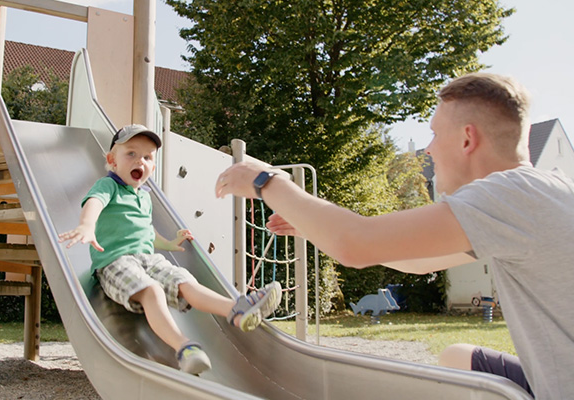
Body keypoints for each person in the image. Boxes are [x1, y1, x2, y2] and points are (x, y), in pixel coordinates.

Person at [214, 73, 574, 399]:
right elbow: (417, 261)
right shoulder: (540, 193)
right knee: (459, 359)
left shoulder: (511, 194)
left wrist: (266, 181)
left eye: (434, 133)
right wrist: (313, 227)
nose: (429, 149)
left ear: (467, 138)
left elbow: (355, 244)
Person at [59, 124, 282, 376]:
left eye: (147, 157)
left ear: (153, 167)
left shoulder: (144, 197)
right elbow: (94, 203)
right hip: (114, 262)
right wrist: (87, 225)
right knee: (152, 291)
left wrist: (168, 244)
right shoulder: (108, 186)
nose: (139, 161)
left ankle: (236, 310)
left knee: (185, 281)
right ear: (112, 160)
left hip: (148, 259)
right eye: (130, 154)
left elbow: (145, 232)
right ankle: (185, 347)